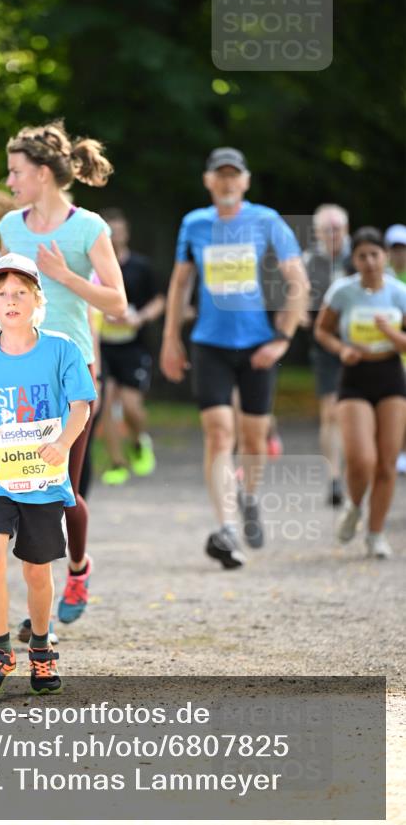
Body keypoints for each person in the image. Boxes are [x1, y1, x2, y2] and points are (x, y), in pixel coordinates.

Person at [0, 253, 96, 695]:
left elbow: (81, 405)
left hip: (43, 475)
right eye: (2, 294)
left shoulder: (61, 348)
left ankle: (43, 651)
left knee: (35, 569)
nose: (11, 302)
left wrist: (63, 444)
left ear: (36, 300)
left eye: (21, 293)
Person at [0, 120, 126, 623]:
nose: (10, 182)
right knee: (25, 488)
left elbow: (117, 301)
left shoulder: (87, 227)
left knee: (62, 490)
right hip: (15, 370)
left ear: (44, 175)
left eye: (16, 172)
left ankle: (78, 568)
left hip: (71, 368)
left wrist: (66, 276)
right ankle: (40, 603)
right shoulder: (10, 227)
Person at [160, 147, 309, 568]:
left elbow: (298, 283)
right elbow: (179, 287)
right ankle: (226, 528)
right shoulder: (194, 224)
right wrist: (171, 338)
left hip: (259, 344)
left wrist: (281, 339)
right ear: (208, 181)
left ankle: (248, 497)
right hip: (210, 343)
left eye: (234, 176)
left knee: (254, 438)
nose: (227, 183)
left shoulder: (267, 221)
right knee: (219, 433)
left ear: (245, 181)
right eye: (219, 176)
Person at [315, 227, 406, 558]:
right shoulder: (343, 292)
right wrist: (341, 349)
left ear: (385, 257)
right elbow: (321, 331)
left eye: (374, 255)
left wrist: (389, 333)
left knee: (385, 463)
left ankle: (376, 534)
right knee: (361, 459)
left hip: (391, 378)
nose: (369, 262)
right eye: (362, 256)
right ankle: (354, 506)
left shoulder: (399, 293)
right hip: (354, 378)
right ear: (353, 259)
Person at [96, 208, 165, 485]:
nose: (114, 238)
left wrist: (141, 317)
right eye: (108, 233)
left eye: (119, 232)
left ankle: (138, 441)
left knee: (131, 406)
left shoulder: (140, 266)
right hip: (102, 346)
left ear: (126, 234)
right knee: (106, 403)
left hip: (133, 346)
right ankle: (117, 462)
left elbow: (160, 299)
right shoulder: (93, 268)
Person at [302, 204, 354, 505]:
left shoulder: (359, 256)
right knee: (331, 411)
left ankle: (352, 474)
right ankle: (334, 479)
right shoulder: (310, 261)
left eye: (337, 229)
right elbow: (297, 296)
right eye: (327, 230)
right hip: (324, 344)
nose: (332, 235)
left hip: (359, 344)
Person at [385, 224, 406, 473]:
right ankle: (398, 450)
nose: (399, 253)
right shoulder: (384, 276)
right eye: (395, 248)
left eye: (403, 248)